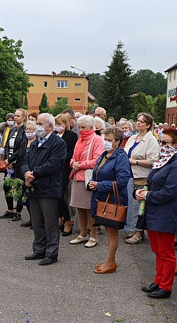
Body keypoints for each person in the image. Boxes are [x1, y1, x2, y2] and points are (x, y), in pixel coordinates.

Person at [137, 127, 177, 299]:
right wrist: (142, 191)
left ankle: (166, 286)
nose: (162, 145)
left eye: (166, 142)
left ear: (176, 144)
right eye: (161, 142)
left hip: (166, 212)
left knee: (166, 251)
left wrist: (147, 195)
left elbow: (170, 191)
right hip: (153, 211)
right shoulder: (162, 161)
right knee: (158, 250)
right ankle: (158, 280)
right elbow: (151, 182)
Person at [23, 113, 66, 266]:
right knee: (37, 221)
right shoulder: (35, 143)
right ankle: (39, 249)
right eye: (37, 123)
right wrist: (26, 173)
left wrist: (34, 173)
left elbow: (53, 164)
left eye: (40, 124)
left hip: (49, 188)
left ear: (50, 126)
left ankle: (51, 253)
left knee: (50, 223)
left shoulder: (58, 143)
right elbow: (26, 160)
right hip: (34, 187)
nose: (37, 126)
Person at [88, 127, 131, 274]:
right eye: (105, 139)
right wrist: (92, 183)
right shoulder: (105, 154)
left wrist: (99, 185)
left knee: (112, 232)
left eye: (109, 140)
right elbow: (97, 173)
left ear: (118, 142)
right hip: (101, 197)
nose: (106, 142)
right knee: (108, 231)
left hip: (113, 200)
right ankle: (110, 261)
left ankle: (111, 261)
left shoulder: (121, 157)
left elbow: (122, 181)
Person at [68, 115, 104, 247]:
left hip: (88, 178)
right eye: (79, 127)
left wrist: (79, 165)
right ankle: (83, 234)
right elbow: (73, 156)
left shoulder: (97, 139)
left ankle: (93, 235)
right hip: (77, 176)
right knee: (80, 208)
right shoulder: (80, 139)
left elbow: (97, 160)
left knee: (89, 208)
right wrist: (73, 163)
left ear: (91, 127)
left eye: (83, 127)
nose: (81, 130)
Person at [124, 112, 160, 244]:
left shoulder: (151, 140)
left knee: (139, 205)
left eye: (141, 121)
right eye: (137, 120)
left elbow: (154, 160)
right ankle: (131, 228)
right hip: (129, 175)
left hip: (142, 176)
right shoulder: (132, 138)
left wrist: (136, 161)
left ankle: (137, 232)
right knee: (130, 204)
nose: (138, 123)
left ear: (148, 125)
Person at [0, 110, 26, 219]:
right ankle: (10, 209)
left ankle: (18, 211)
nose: (15, 117)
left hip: (18, 162)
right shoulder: (12, 129)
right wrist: (7, 159)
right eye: (15, 115)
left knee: (19, 187)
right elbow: (6, 146)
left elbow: (21, 148)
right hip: (9, 163)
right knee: (6, 186)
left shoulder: (25, 130)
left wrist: (11, 159)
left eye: (18, 116)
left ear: (23, 118)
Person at [55, 113, 78, 235]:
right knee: (55, 195)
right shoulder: (54, 135)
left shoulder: (71, 136)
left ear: (65, 124)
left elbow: (71, 152)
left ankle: (68, 220)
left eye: (59, 124)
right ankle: (60, 218)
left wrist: (59, 157)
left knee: (60, 195)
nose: (57, 126)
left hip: (65, 168)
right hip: (54, 169)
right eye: (56, 124)